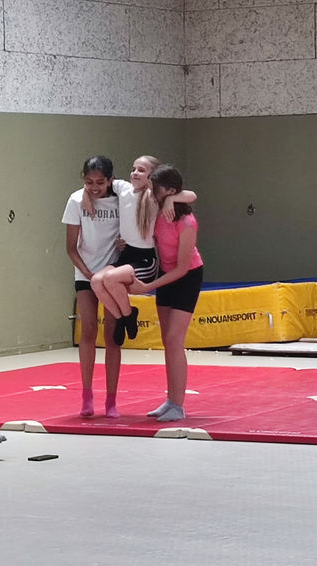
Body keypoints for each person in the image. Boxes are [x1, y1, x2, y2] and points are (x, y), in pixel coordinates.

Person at [89, 155, 196, 347]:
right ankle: (125, 316)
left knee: (110, 278)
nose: (135, 173)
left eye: (141, 170)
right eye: (133, 169)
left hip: (145, 260)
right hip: (126, 255)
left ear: (151, 177)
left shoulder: (153, 197)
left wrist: (171, 199)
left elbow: (192, 195)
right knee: (96, 281)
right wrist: (85, 196)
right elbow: (98, 183)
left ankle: (126, 315)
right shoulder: (122, 187)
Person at [128, 165, 203, 422]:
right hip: (167, 274)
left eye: (155, 187)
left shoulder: (187, 223)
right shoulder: (158, 209)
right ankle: (170, 400)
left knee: (174, 339)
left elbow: (182, 268)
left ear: (169, 191)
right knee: (166, 340)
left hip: (187, 276)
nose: (150, 191)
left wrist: (148, 286)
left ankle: (178, 405)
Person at [62, 155, 123, 418]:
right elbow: (70, 247)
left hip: (112, 273)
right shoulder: (76, 200)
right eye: (89, 182)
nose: (94, 187)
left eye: (100, 182)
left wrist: (125, 244)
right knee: (88, 329)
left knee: (112, 335)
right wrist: (87, 272)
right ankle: (87, 394)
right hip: (86, 273)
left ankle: (111, 399)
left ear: (111, 180)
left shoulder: (121, 198)